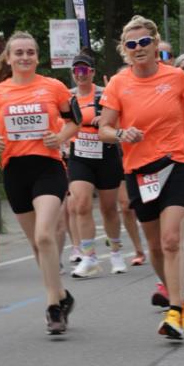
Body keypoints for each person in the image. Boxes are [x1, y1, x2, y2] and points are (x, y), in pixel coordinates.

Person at [99, 16, 184, 341]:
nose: (138, 49)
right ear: (125, 50)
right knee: (154, 246)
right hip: (140, 171)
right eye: (131, 45)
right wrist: (122, 132)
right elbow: (104, 130)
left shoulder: (176, 77)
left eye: (144, 43)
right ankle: (175, 294)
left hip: (177, 163)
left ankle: (176, 311)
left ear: (154, 44)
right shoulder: (118, 84)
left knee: (169, 239)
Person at [0, 31, 80, 335]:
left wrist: (59, 136)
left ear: (37, 57)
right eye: (18, 53)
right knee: (38, 244)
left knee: (45, 234)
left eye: (30, 52)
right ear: (9, 58)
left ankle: (52, 307)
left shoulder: (54, 87)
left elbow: (74, 122)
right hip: (14, 171)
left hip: (48, 167)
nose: (24, 57)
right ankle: (62, 295)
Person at [66, 52, 126, 278]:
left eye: (84, 70)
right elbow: (59, 121)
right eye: (76, 70)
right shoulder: (68, 96)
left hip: (106, 154)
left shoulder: (104, 94)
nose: (80, 75)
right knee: (80, 204)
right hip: (79, 154)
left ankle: (116, 252)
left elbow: (121, 120)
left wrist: (106, 121)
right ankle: (89, 257)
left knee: (109, 208)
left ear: (92, 72)